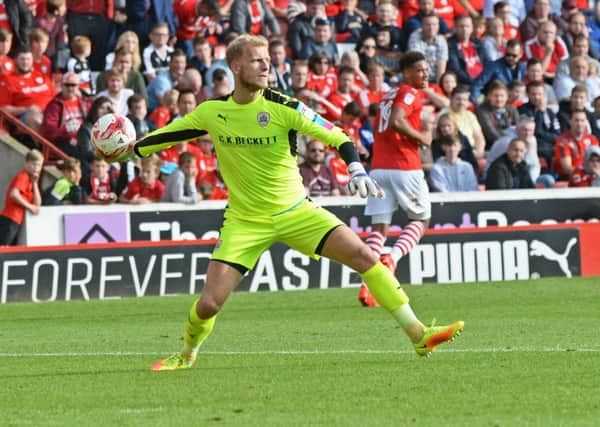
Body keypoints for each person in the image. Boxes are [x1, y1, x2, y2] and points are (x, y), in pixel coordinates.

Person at [102, 35, 463, 369]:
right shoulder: (212, 112)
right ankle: (186, 354)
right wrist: (125, 150)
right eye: (257, 60)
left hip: (296, 211)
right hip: (245, 221)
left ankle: (418, 334)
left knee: (366, 257)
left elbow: (337, 135)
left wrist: (355, 167)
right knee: (209, 303)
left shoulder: (284, 106)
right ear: (237, 67)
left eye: (267, 61)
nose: (266, 66)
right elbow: (162, 138)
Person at [359, 51, 433, 307]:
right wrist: (422, 138)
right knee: (421, 220)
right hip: (404, 166)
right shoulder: (409, 92)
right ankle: (391, 257)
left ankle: (368, 287)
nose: (426, 74)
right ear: (407, 73)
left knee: (380, 228)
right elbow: (397, 121)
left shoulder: (388, 94)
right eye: (420, 70)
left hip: (379, 168)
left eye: (426, 69)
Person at [0, 149, 42, 246]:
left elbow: (37, 204)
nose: (36, 168)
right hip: (11, 218)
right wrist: (30, 207)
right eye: (34, 164)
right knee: (4, 249)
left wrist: (35, 183)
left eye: (39, 165)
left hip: (16, 220)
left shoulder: (31, 180)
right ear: (26, 163)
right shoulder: (23, 176)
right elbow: (14, 194)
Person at [42, 72, 89, 158]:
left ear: (78, 86)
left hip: (84, 138)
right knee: (82, 152)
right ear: (62, 86)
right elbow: (48, 130)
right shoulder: (54, 105)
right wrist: (66, 132)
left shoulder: (85, 102)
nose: (70, 88)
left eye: (73, 85)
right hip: (63, 141)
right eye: (67, 85)